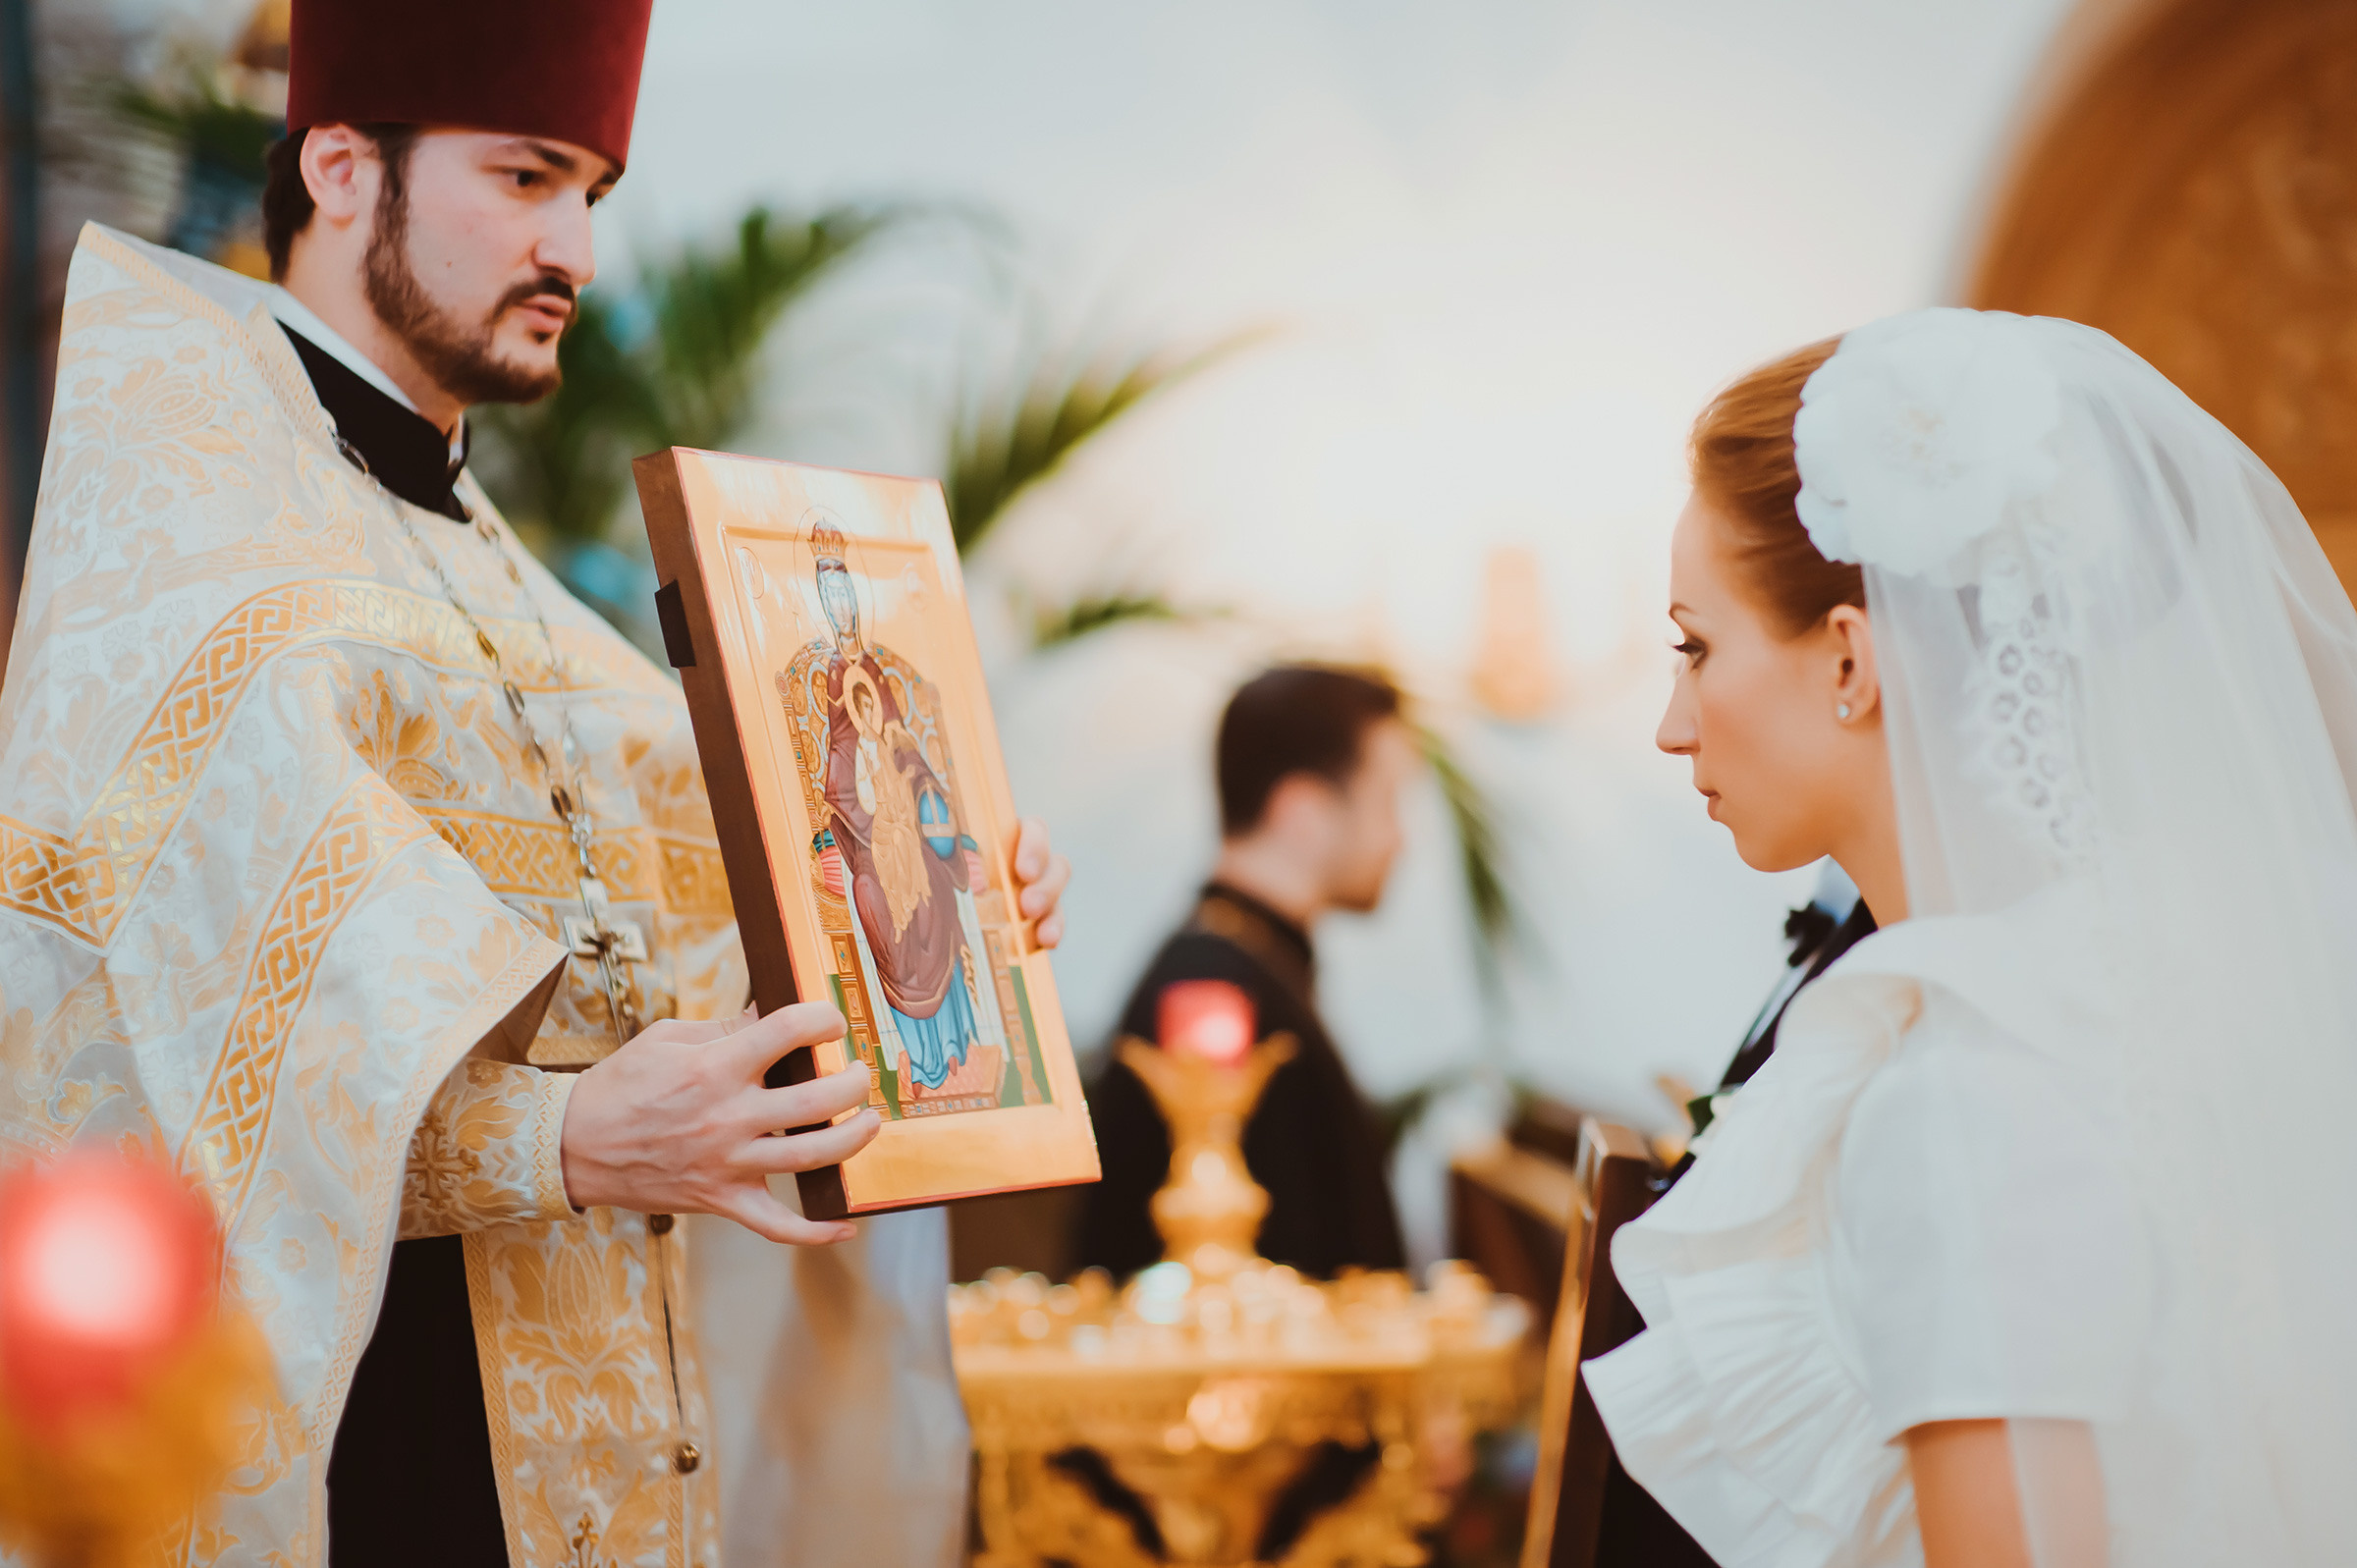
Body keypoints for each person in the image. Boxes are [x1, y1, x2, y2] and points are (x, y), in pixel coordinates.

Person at [0, 4, 1071, 1566]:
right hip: (381, 1467)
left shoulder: (510, 594)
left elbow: (707, 957)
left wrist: (929, 900)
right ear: (344, 167)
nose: (571, 242)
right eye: (522, 178)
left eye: (591, 192)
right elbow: (145, 1070)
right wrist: (560, 1147)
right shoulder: (191, 558)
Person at [1586, 308, 2357, 1565]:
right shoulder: (2168, 986)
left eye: (1696, 646)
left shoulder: (1968, 1091)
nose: (1675, 725)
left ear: (1848, 659)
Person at [1075, 664, 1413, 1283]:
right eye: (1388, 803)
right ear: (1303, 810)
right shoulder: (1216, 988)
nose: (1401, 839)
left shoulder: (1243, 960)